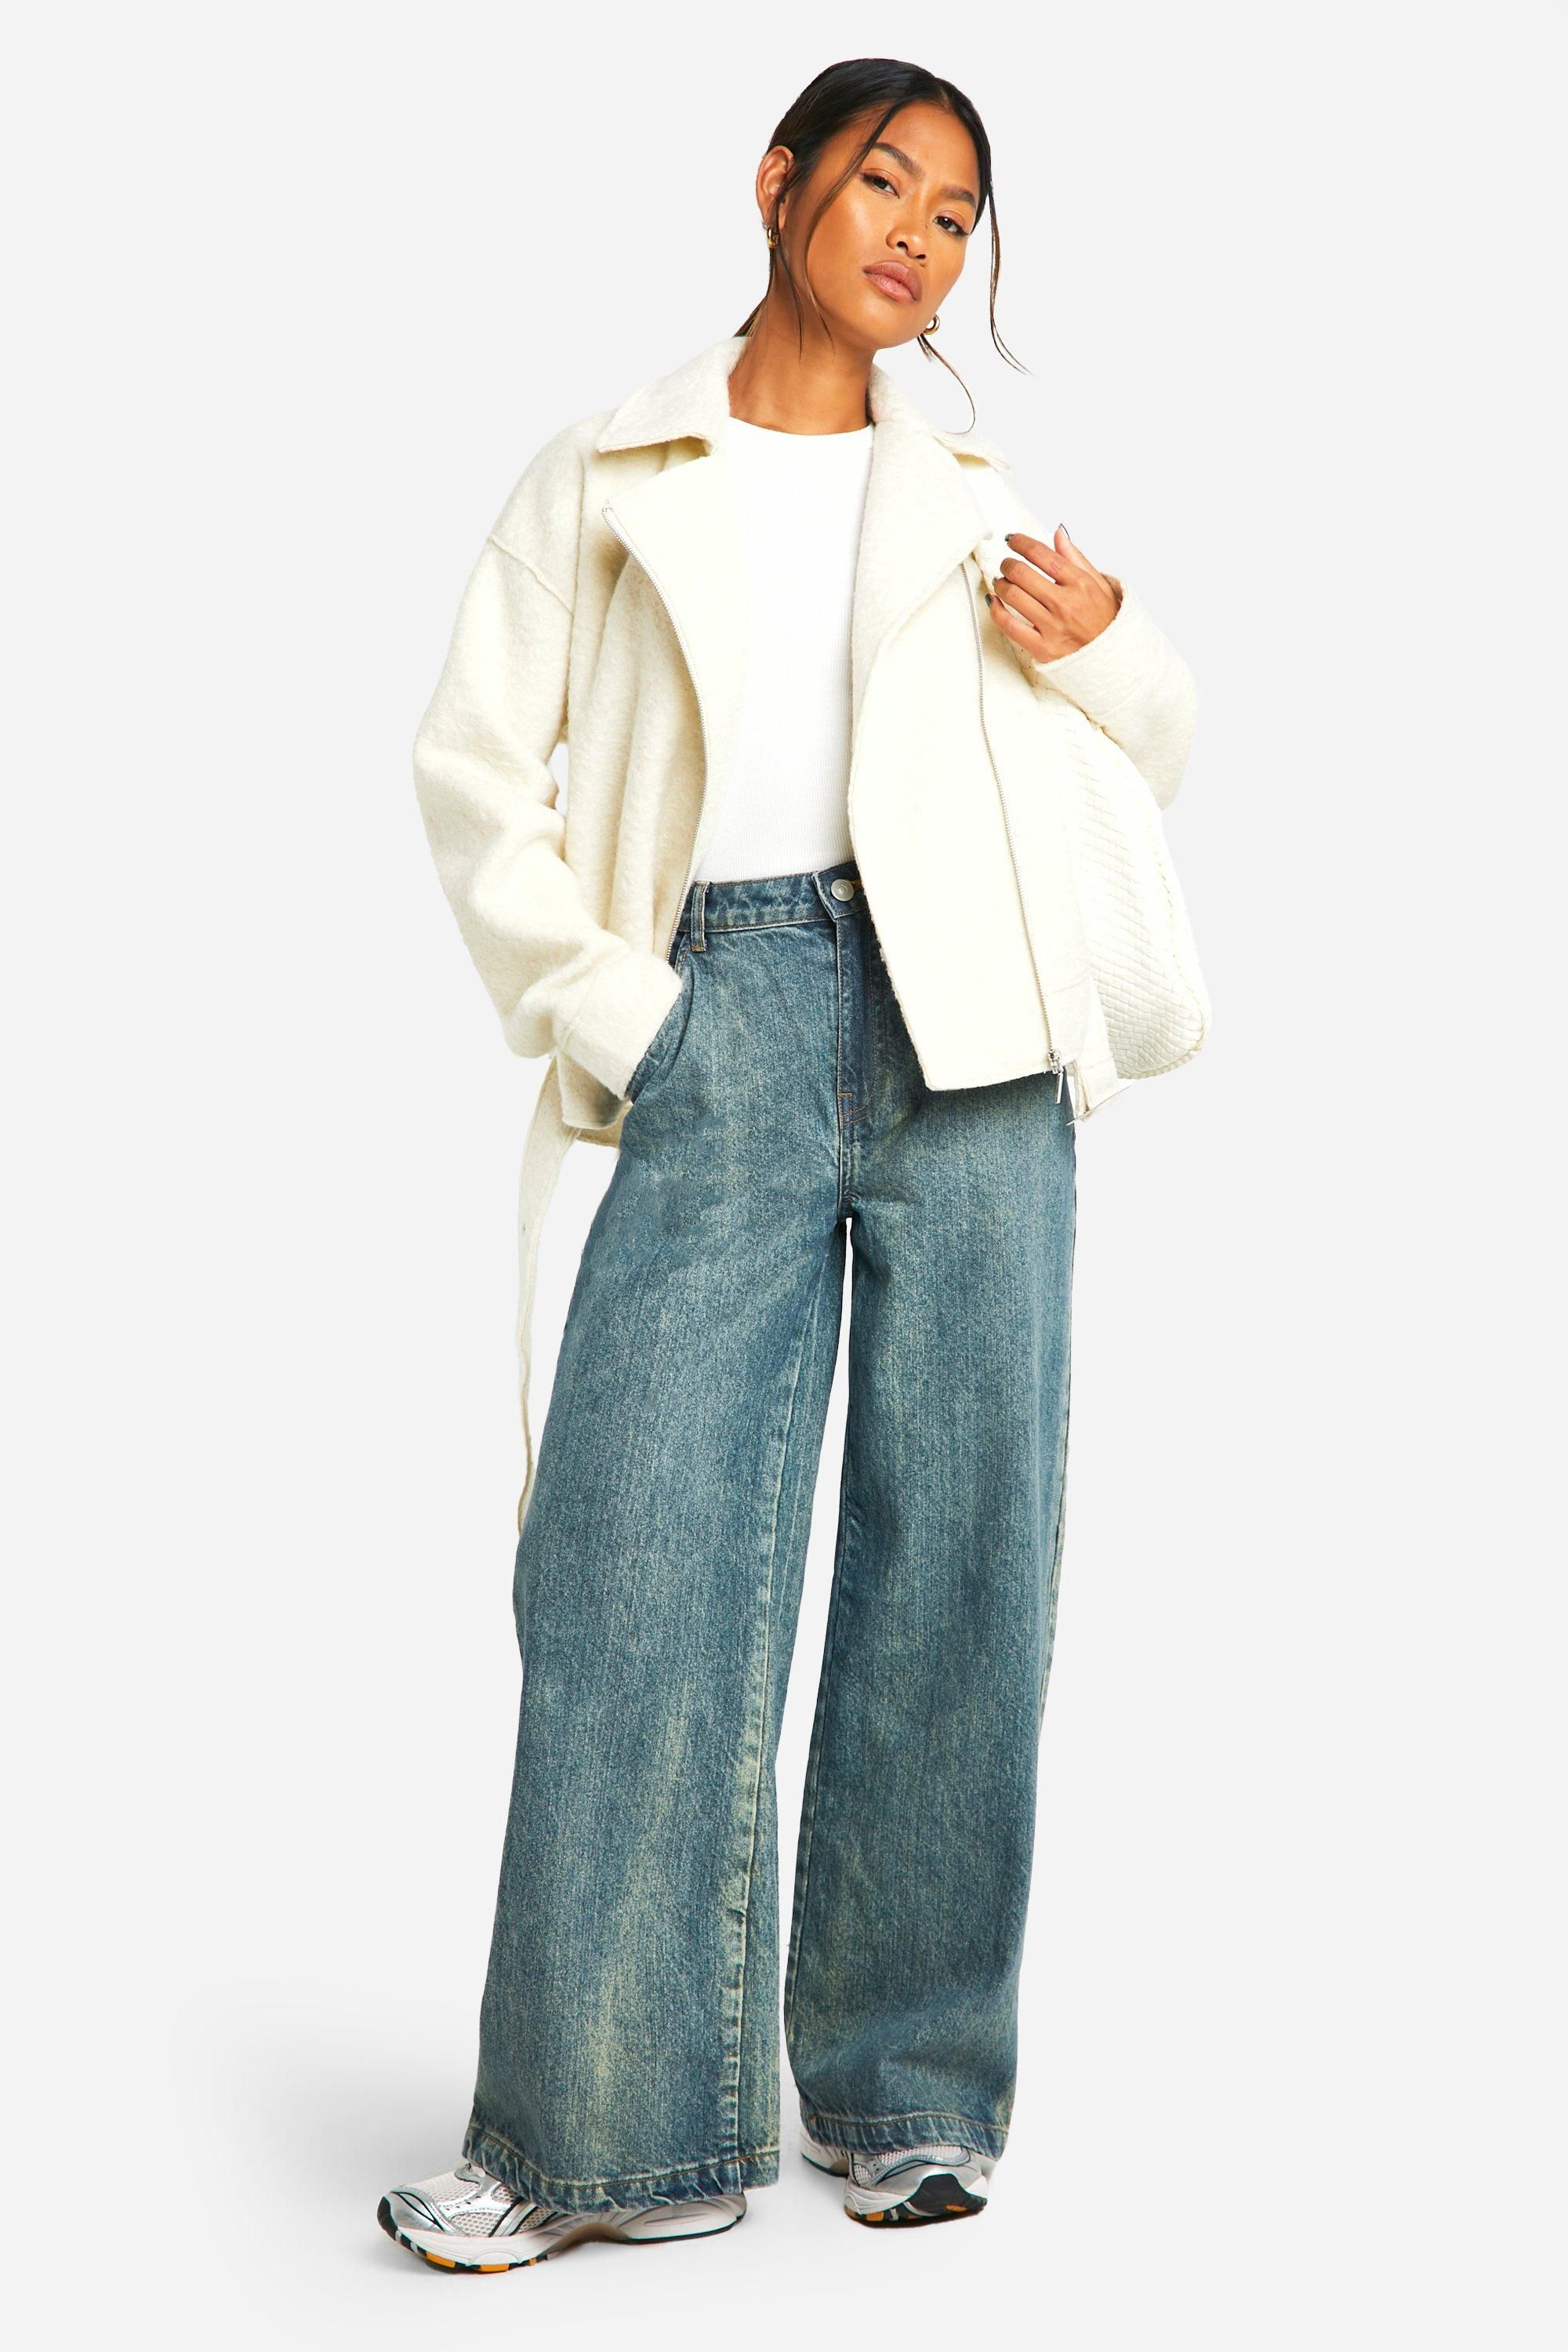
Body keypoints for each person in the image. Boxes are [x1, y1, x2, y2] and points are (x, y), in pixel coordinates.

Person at [381, 55, 1206, 2274]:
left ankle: (910, 2093)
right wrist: (621, 1013)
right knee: (637, 1564)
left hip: (978, 1030)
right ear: (778, 183)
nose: (919, 240)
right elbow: (475, 774)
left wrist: (1113, 644)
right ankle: (602, 2135)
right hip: (714, 1012)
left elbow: (1160, 746)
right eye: (885, 184)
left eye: (957, 217)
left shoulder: (979, 499)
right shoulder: (610, 469)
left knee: (964, 1560)